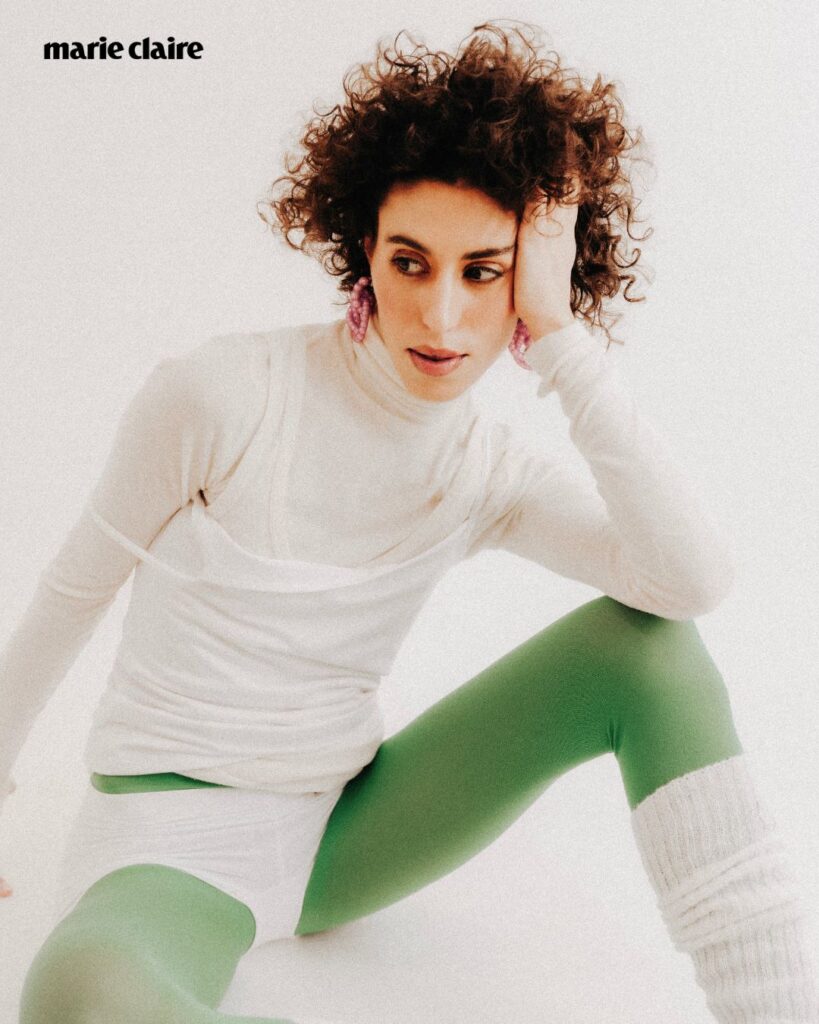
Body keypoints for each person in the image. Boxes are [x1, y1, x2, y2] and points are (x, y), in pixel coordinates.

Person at [2, 21, 817, 1024]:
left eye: (484, 271)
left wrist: (562, 340)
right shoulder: (222, 395)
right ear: (364, 250)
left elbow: (690, 582)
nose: (439, 316)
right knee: (81, 993)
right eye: (410, 261)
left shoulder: (485, 470)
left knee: (649, 651)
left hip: (346, 832)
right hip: (168, 848)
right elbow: (71, 592)